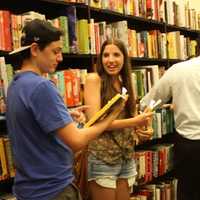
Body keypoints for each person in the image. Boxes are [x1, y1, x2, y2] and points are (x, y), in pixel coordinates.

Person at [6, 19, 126, 200]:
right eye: (55, 51)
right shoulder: (42, 87)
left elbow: (29, 121)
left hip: (28, 189)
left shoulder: (16, 84)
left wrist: (62, 115)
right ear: (35, 50)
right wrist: (110, 118)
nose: (60, 58)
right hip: (53, 189)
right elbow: (76, 141)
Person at [84, 39, 153, 200]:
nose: (111, 60)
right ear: (100, 58)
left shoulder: (126, 83)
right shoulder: (94, 80)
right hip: (102, 158)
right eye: (106, 55)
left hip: (126, 157)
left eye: (116, 55)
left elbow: (133, 119)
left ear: (124, 58)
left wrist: (144, 130)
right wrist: (135, 122)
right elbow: (95, 122)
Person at [140, 56, 200, 200]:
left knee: (187, 192)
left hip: (188, 144)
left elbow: (149, 102)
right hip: (189, 144)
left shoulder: (179, 70)